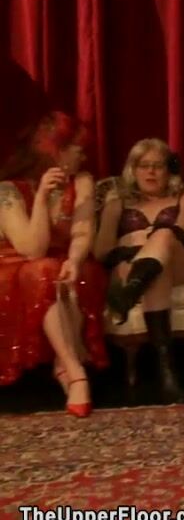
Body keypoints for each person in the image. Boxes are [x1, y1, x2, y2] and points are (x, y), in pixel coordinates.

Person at [0, 112, 108, 417]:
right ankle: (75, 371)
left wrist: (74, 259)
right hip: (16, 266)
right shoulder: (8, 190)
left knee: (78, 273)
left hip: (64, 259)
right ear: (55, 150)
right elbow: (32, 249)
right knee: (44, 271)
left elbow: (83, 231)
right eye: (78, 150)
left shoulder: (82, 181)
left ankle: (63, 365)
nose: (83, 157)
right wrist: (41, 197)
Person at [93, 138, 184, 404]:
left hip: (176, 263)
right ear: (133, 169)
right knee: (154, 273)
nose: (151, 172)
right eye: (144, 165)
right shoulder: (117, 204)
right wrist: (138, 254)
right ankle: (167, 372)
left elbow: (183, 231)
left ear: (169, 170)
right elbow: (101, 251)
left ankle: (127, 295)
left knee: (164, 234)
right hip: (133, 267)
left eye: (158, 166)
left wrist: (151, 242)